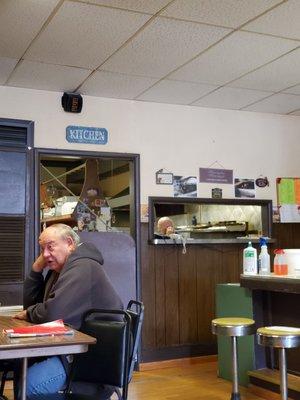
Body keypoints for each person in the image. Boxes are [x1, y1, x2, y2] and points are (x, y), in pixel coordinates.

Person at [14, 223, 123, 398]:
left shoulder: (83, 266)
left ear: (70, 243)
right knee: (22, 371)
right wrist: (36, 269)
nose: (45, 254)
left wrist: (30, 313)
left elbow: (51, 314)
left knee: (29, 387)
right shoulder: (61, 269)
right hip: (69, 350)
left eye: (50, 247)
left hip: (91, 359)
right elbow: (34, 308)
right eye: (42, 249)